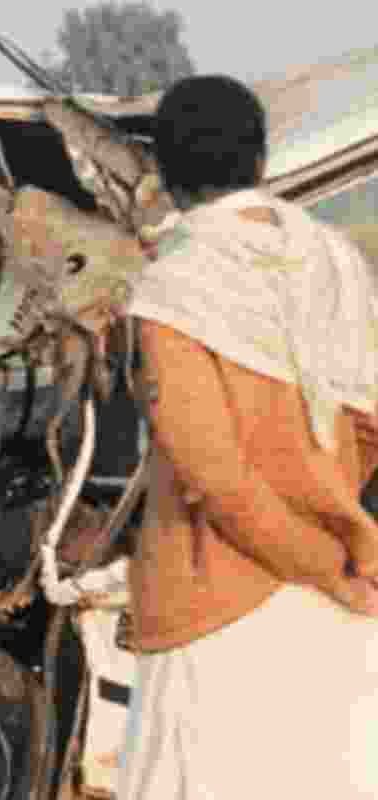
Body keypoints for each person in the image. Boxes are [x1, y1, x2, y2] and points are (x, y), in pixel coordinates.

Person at [118, 74, 378, 799]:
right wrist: (337, 535)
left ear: (164, 172)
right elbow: (367, 419)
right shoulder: (336, 264)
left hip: (219, 607)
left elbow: (213, 473)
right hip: (337, 610)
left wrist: (317, 562)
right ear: (261, 160)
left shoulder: (177, 287)